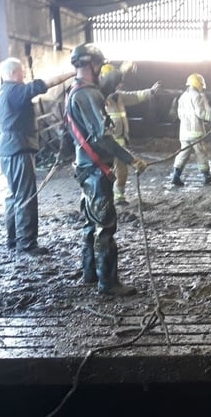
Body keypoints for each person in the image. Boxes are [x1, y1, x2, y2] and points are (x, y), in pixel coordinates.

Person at [65, 44, 148, 297]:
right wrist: (130, 159)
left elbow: (104, 88)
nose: (101, 70)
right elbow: (102, 136)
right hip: (96, 169)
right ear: (92, 65)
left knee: (91, 223)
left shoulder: (76, 90)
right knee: (105, 226)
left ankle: (90, 273)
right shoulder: (88, 95)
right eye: (99, 65)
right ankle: (108, 283)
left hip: (85, 167)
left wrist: (121, 71)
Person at [0, 57, 74, 255]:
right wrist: (73, 72)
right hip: (18, 148)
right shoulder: (15, 91)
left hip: (8, 149)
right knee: (26, 196)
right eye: (22, 72)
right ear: (14, 73)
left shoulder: (4, 92)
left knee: (14, 195)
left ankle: (13, 239)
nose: (24, 75)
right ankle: (26, 243)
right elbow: (43, 85)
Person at [99, 63, 161, 205]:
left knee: (121, 172)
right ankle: (104, 198)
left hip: (120, 141)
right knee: (104, 173)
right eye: (115, 82)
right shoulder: (99, 98)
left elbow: (135, 96)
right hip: (106, 143)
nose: (118, 85)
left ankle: (119, 197)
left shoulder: (118, 96)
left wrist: (151, 92)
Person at [172, 73, 211, 186]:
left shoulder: (183, 97)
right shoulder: (197, 96)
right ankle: (207, 176)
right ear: (198, 84)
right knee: (201, 154)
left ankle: (175, 176)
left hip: (184, 132)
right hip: (196, 132)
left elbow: (179, 115)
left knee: (183, 154)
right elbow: (200, 113)